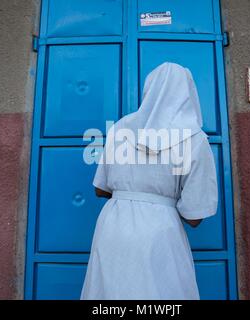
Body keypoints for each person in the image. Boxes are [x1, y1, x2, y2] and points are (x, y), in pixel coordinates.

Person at [81, 62, 218, 300]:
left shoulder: (121, 127)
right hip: (160, 235)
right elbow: (195, 216)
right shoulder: (193, 138)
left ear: (148, 89)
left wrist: (130, 192)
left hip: (113, 228)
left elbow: (100, 190)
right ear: (188, 92)